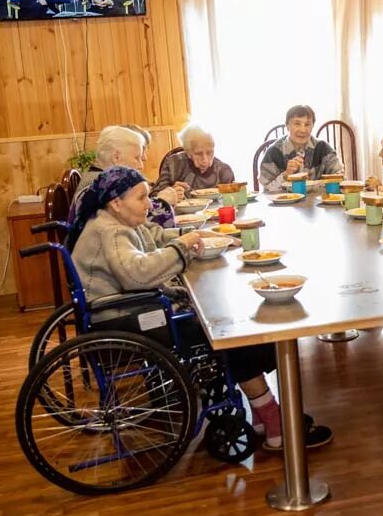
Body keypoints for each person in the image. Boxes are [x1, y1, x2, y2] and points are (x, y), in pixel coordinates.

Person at [68, 166, 333, 451]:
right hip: (126, 319)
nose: (149, 204)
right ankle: (274, 422)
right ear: (116, 202)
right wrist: (183, 247)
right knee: (230, 331)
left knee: (230, 322)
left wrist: (194, 235)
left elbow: (155, 238)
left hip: (127, 311)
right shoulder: (111, 231)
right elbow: (136, 274)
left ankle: (261, 414)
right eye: (142, 197)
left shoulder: (113, 221)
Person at [71, 125, 178, 228]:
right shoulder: (97, 187)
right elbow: (133, 227)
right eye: (137, 158)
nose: (141, 165)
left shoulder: (104, 181)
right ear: (116, 157)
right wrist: (162, 202)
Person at [258, 105, 345, 193]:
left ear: (312, 126)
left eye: (307, 124)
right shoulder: (273, 152)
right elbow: (267, 191)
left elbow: (340, 177)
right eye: (297, 124)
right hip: (285, 206)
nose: (303, 130)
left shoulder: (323, 148)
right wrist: (285, 175)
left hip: (318, 203)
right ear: (287, 126)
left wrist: (319, 185)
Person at [152, 122, 235, 197]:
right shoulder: (173, 164)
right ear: (188, 152)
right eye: (198, 153)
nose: (205, 159)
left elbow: (234, 199)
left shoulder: (224, 170)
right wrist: (170, 193)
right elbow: (154, 197)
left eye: (209, 152)